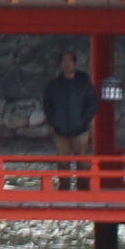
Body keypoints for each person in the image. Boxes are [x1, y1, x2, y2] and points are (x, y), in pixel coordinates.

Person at [42, 51, 99, 189]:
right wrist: (53, 121)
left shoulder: (83, 82)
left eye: (69, 61)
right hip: (59, 130)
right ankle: (64, 187)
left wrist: (83, 120)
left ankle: (83, 187)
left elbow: (93, 103)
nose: (66, 64)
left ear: (75, 64)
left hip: (80, 130)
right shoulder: (54, 84)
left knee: (82, 160)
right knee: (62, 161)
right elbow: (47, 104)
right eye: (64, 61)